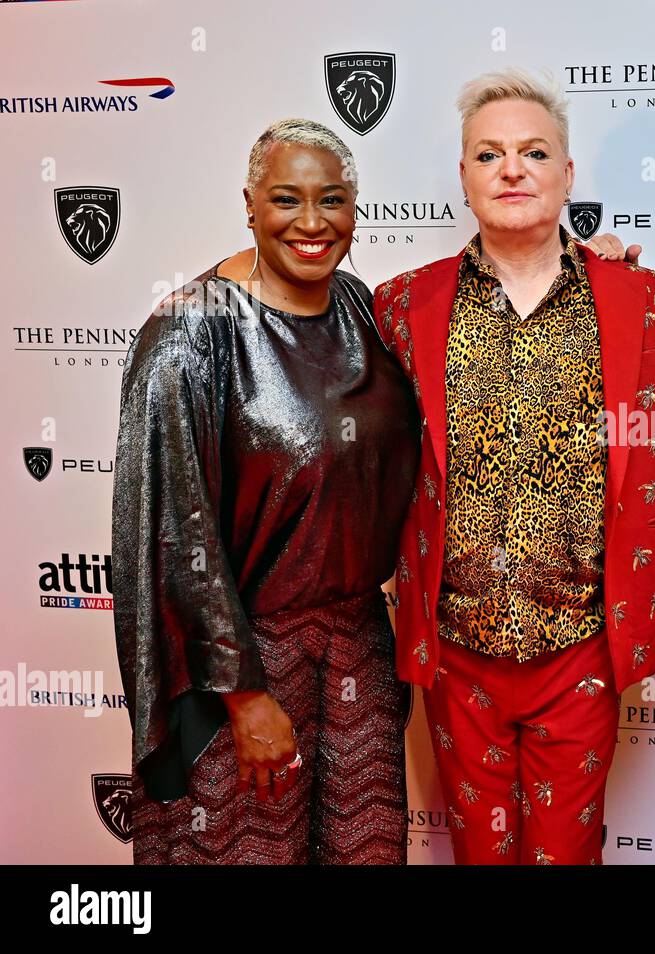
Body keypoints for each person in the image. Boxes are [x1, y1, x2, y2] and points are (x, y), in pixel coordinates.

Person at [374, 70, 655, 865]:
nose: (512, 169)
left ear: (568, 174)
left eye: (534, 151)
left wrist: (609, 261)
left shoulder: (649, 303)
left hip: (581, 647)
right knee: (479, 854)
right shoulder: (401, 307)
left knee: (567, 854)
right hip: (457, 652)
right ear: (466, 177)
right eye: (490, 154)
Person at [113, 118, 420, 864]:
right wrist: (244, 695)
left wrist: (588, 260)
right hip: (244, 666)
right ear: (249, 204)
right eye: (288, 199)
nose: (312, 224)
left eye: (333, 200)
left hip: (358, 652)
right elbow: (169, 529)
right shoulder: (190, 334)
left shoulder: (360, 307)